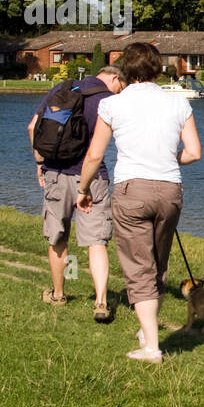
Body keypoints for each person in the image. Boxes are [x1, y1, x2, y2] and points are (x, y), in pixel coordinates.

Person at [76, 43, 201, 364]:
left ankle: (151, 347)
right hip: (170, 189)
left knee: (138, 267)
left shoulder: (113, 105)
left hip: (132, 190)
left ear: (125, 70)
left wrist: (83, 188)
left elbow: (94, 155)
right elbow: (194, 152)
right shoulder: (178, 103)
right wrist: (168, 158)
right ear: (158, 69)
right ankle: (147, 332)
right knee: (157, 264)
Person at [27, 63, 124, 321]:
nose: (120, 92)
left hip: (55, 173)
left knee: (57, 236)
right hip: (92, 178)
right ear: (114, 78)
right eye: (121, 86)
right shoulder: (108, 100)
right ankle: (101, 302)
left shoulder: (63, 87)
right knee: (96, 241)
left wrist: (40, 164)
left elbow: (32, 127)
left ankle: (58, 294)